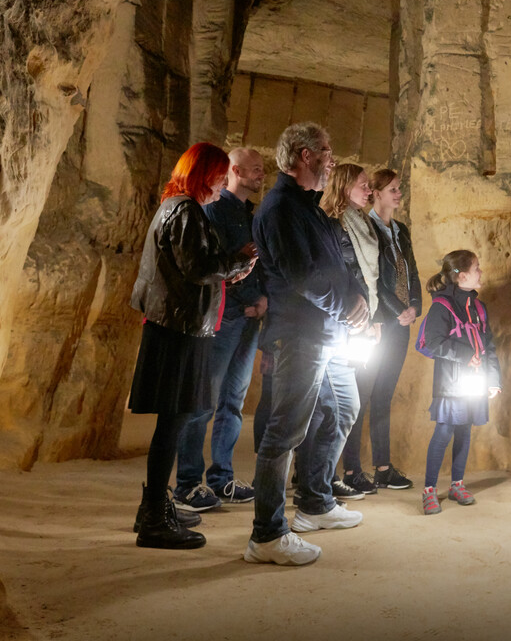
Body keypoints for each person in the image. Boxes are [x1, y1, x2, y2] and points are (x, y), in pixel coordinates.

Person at [244, 123, 369, 568]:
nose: (331, 159)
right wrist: (345, 307)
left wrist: (359, 301)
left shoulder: (312, 209)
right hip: (298, 332)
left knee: (343, 407)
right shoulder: (279, 209)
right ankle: (268, 533)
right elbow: (301, 277)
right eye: (326, 151)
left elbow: (341, 263)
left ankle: (315, 502)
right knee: (286, 431)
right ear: (302, 155)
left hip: (328, 332)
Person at [127, 143, 257, 550]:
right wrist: (236, 265)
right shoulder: (184, 210)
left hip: (175, 326)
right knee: (174, 422)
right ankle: (154, 519)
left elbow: (193, 266)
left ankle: (155, 505)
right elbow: (197, 268)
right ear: (206, 174)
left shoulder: (177, 207)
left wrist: (229, 268)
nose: (223, 182)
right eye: (220, 174)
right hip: (178, 331)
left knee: (174, 421)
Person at [172, 147, 267, 513]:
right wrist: (250, 296)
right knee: (203, 402)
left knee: (233, 402)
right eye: (255, 169)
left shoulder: (248, 213)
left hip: (247, 316)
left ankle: (221, 478)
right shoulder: (213, 210)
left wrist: (261, 300)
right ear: (236, 171)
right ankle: (188, 484)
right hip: (225, 315)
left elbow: (254, 260)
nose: (261, 175)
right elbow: (217, 264)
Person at [309, 163, 376, 505]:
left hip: (349, 322)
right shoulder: (331, 224)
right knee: (316, 413)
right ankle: (315, 487)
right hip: (327, 326)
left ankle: (320, 486)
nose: (370, 191)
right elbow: (331, 274)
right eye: (364, 185)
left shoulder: (360, 224)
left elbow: (361, 275)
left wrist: (366, 309)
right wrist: (353, 309)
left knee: (343, 408)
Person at [417, 250, 500, 514]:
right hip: (450, 384)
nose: (481, 272)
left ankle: (457, 484)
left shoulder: (478, 308)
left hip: (474, 382)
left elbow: (489, 346)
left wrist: (494, 379)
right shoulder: (441, 307)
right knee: (444, 431)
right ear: (462, 276)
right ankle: (429, 490)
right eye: (477, 268)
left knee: (465, 430)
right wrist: (466, 356)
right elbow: (433, 343)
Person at [365, 167, 420, 490]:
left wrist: (415, 306)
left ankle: (383, 467)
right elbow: (372, 279)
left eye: (399, 188)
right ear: (376, 193)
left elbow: (410, 270)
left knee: (384, 394)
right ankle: (350, 469)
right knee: (362, 393)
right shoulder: (367, 229)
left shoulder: (400, 230)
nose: (399, 194)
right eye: (393, 189)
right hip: (380, 323)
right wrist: (398, 310)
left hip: (401, 323)